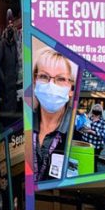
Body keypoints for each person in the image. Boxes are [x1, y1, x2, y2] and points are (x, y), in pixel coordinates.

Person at [31, 47, 75, 182]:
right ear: (34, 81)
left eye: (61, 79)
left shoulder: (77, 134)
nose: (51, 85)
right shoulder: (23, 125)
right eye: (44, 77)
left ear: (71, 89)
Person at [0, 10, 20, 124]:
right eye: (9, 23)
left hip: (12, 81)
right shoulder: (2, 44)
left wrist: (15, 74)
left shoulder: (14, 44)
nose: (11, 25)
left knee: (13, 105)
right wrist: (3, 78)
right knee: (6, 106)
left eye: (12, 23)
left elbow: (16, 61)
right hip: (5, 82)